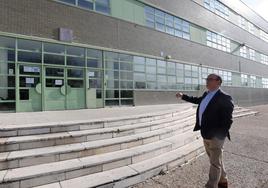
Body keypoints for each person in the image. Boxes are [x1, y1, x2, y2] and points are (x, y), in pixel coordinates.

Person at [176, 74, 234, 188]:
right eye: (206, 79)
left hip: (216, 137)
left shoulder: (224, 97)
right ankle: (223, 181)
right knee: (215, 160)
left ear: (218, 82)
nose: (206, 81)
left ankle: (211, 185)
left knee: (214, 163)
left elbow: (228, 120)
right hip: (206, 133)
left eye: (209, 79)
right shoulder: (206, 94)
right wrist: (183, 96)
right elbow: (197, 100)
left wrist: (219, 136)